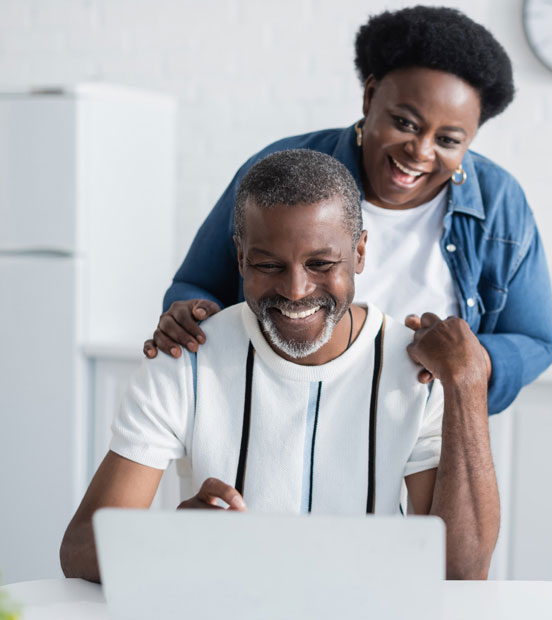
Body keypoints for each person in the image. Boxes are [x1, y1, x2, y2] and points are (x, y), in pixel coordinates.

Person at [60, 150, 499, 582]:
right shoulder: (185, 359)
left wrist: (467, 383)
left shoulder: (415, 370)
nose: (294, 290)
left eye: (321, 264)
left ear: (360, 252)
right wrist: (175, 539)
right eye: (268, 265)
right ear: (239, 257)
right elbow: (79, 548)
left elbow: (460, 571)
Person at [144, 6, 552, 415]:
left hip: (425, 436)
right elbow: (196, 286)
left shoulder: (501, 202)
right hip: (270, 415)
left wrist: (469, 358)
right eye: (405, 123)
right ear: (370, 94)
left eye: (448, 140)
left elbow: (535, 340)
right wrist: (191, 316)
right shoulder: (282, 170)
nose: (420, 151)